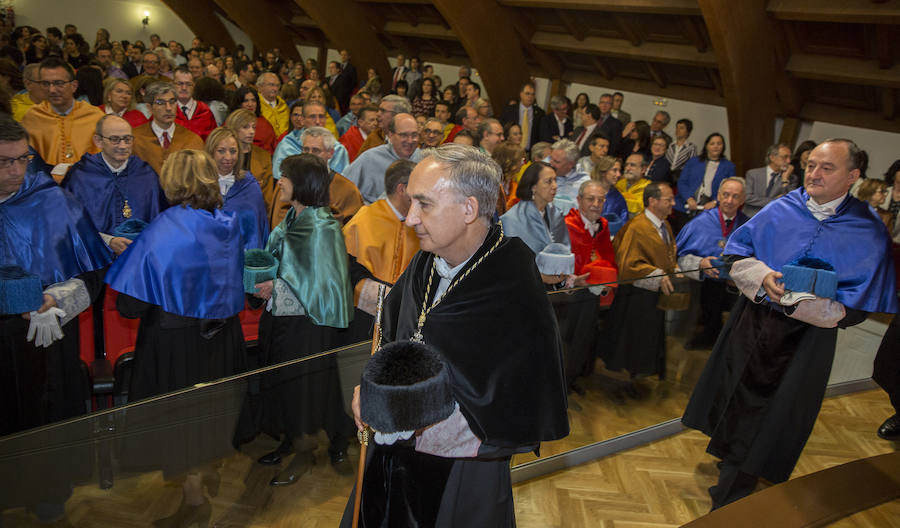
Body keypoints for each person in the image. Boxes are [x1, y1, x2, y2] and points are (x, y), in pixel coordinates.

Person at [342, 144, 569, 527]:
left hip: (462, 468)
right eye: (411, 202)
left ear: (468, 209)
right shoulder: (426, 260)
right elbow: (394, 334)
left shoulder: (512, 279)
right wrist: (371, 390)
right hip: (391, 455)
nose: (410, 218)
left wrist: (428, 428)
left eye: (424, 204)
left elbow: (519, 394)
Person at [681, 139, 898, 510]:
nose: (813, 173)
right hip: (751, 326)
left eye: (826, 168)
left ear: (853, 176)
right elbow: (736, 253)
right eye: (810, 165)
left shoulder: (867, 229)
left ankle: (734, 492)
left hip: (806, 342)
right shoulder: (784, 206)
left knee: (772, 418)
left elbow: (864, 304)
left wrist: (817, 308)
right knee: (733, 400)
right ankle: (730, 467)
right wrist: (763, 275)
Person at [105, 149, 246, 526]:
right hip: (222, 337)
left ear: (174, 181)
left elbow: (130, 306)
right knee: (208, 415)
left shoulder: (167, 227)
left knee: (182, 424)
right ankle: (209, 466)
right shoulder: (227, 220)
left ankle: (195, 503)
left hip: (177, 342)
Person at [242, 153, 356, 486]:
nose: (280, 182)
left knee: (304, 388)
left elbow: (324, 285)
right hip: (282, 322)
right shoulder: (293, 217)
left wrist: (274, 287)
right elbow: (286, 265)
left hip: (309, 326)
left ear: (303, 183)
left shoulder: (322, 226)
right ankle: (292, 439)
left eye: (286, 177)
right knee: (285, 386)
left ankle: (306, 451)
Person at [1, 115, 112, 436]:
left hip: (47, 350)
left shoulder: (53, 202)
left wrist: (57, 298)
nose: (17, 170)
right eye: (5, 161)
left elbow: (92, 273)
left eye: (23, 159)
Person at [604, 181, 678, 382]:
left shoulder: (665, 225)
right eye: (668, 199)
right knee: (634, 340)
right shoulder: (637, 226)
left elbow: (669, 253)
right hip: (636, 297)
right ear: (652, 201)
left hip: (656, 296)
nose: (673, 203)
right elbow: (627, 263)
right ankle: (631, 377)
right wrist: (656, 273)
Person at [62, 115, 166, 255]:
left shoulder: (146, 174)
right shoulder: (80, 176)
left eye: (127, 139)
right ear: (98, 141)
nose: (123, 146)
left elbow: (160, 221)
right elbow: (67, 226)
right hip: (95, 259)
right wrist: (108, 241)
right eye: (115, 139)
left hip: (140, 256)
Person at [341, 159, 420, 342]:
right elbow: (347, 271)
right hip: (365, 320)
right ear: (402, 189)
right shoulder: (364, 220)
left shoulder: (418, 223)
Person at [675, 177, 748, 349]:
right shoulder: (700, 222)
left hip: (735, 286)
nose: (729, 201)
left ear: (743, 199)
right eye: (726, 195)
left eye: (735, 196)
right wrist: (700, 263)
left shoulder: (748, 225)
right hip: (704, 285)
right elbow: (678, 255)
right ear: (718, 196)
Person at [22, 57, 104, 181]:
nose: (52, 90)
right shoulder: (32, 117)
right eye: (45, 83)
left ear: (74, 86)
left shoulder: (95, 116)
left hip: (88, 185)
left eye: (58, 83)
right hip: (44, 188)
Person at [206, 127, 269, 250]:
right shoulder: (200, 185)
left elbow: (258, 228)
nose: (228, 157)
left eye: (233, 151)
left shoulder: (250, 185)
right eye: (221, 151)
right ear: (211, 152)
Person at [344, 113, 424, 204]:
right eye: (404, 135)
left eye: (414, 135)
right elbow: (342, 188)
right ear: (390, 135)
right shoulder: (370, 158)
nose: (410, 141)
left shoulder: (424, 160)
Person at [132, 82, 204, 174]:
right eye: (160, 103)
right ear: (149, 107)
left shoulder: (192, 140)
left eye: (172, 102)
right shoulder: (135, 139)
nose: (168, 108)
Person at [673, 132, 736, 232]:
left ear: (723, 146)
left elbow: (730, 190)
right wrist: (689, 198)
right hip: (685, 206)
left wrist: (715, 202)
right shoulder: (693, 161)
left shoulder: (729, 166)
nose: (716, 146)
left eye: (719, 144)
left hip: (710, 210)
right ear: (706, 146)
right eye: (712, 144)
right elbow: (682, 182)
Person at [224, 108, 275, 215]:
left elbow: (268, 197)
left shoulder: (264, 156)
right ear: (234, 128)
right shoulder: (223, 155)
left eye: (253, 127)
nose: (251, 131)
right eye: (245, 127)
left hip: (255, 211)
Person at [743, 143, 799, 217]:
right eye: (785, 157)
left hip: (775, 218)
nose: (788, 161)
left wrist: (785, 179)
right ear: (772, 157)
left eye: (790, 157)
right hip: (751, 216)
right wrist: (774, 200)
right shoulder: (753, 174)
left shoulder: (792, 178)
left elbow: (790, 201)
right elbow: (747, 197)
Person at [172, 66, 217, 140]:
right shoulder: (166, 110)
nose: (184, 88)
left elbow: (213, 141)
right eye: (179, 83)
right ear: (172, 85)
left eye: (188, 84)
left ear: (194, 86)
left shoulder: (205, 111)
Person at [229, 85, 277, 154]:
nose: (250, 104)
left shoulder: (265, 124)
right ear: (238, 104)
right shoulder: (230, 122)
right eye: (246, 101)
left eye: (253, 100)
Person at [592, 155, 629, 222]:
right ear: (603, 172)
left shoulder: (618, 198)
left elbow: (624, 225)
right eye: (614, 170)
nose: (619, 174)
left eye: (619, 171)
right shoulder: (587, 191)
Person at [257, 72, 290, 137]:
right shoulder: (255, 105)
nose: (275, 89)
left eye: (277, 85)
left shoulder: (284, 106)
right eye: (271, 85)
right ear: (260, 86)